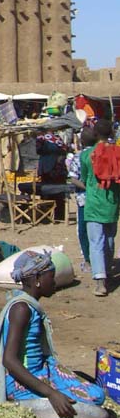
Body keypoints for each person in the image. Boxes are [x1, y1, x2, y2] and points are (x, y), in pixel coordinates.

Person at [0, 250, 105, 418]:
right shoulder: (21, 309)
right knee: (94, 398)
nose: (54, 282)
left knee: (95, 390)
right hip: (22, 380)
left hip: (41, 369)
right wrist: (52, 394)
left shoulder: (29, 306)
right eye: (51, 277)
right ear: (37, 280)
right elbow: (9, 360)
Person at [80, 118, 120, 297]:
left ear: (95, 134)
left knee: (96, 242)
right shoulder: (118, 153)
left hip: (94, 204)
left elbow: (84, 177)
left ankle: (100, 282)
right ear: (111, 133)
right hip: (112, 204)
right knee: (109, 240)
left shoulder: (87, 155)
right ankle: (109, 271)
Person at [67, 127, 96, 273]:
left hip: (84, 199)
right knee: (101, 231)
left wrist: (87, 187)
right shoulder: (100, 154)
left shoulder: (79, 157)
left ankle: (88, 260)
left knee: (84, 231)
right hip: (102, 200)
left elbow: (73, 178)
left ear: (82, 141)